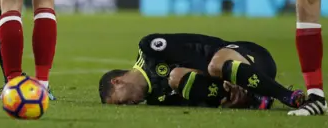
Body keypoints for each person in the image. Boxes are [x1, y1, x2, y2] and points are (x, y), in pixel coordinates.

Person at [98, 33, 305, 110]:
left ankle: (286, 95)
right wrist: (227, 101)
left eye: (120, 101)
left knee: (213, 66)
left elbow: (198, 53)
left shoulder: (150, 48)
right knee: (177, 78)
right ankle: (253, 99)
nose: (128, 105)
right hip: (250, 81)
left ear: (117, 82)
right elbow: (202, 99)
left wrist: (218, 77)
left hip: (249, 57)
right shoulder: (157, 99)